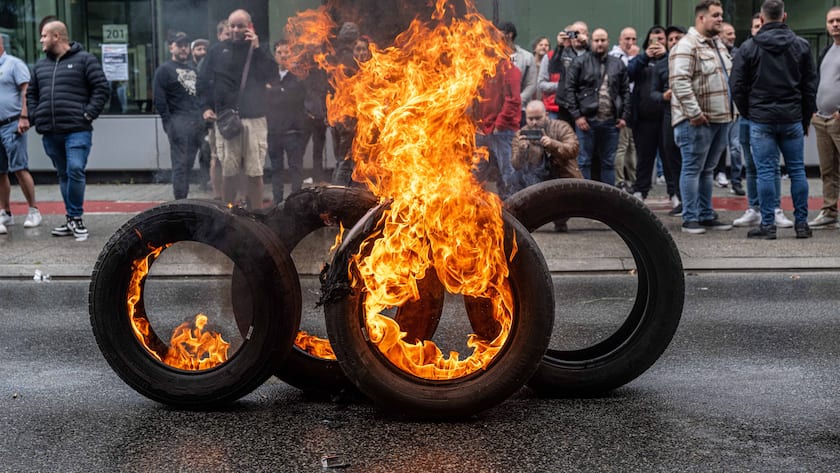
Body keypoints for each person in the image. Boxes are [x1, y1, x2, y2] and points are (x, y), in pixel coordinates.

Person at [731, 0, 817, 239]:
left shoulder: (749, 47)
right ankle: (802, 224)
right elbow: (810, 85)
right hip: (791, 118)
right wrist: (805, 117)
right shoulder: (801, 45)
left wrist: (749, 112)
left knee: (766, 172)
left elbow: (737, 85)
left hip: (761, 118)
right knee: (798, 171)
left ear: (762, 17)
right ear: (784, 16)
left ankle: (768, 225)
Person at [27, 20, 108, 239]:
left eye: (44, 35)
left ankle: (76, 217)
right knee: (63, 175)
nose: (41, 40)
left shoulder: (85, 60)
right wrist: (35, 116)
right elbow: (31, 94)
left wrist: (88, 114)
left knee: (75, 169)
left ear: (57, 37)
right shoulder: (40, 66)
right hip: (51, 131)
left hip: (77, 129)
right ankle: (71, 218)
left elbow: (101, 88)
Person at [197, 9, 275, 209]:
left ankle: (257, 216)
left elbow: (272, 75)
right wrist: (205, 107)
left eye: (240, 25)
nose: (235, 29)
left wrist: (257, 48)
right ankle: (228, 215)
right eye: (232, 25)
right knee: (229, 172)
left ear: (249, 27)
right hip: (226, 119)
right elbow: (203, 82)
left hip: (255, 119)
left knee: (255, 172)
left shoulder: (259, 50)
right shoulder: (216, 51)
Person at [669, 0, 733, 234]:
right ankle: (691, 218)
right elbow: (679, 81)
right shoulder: (687, 45)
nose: (720, 19)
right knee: (693, 168)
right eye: (715, 15)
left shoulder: (717, 45)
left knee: (708, 169)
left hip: (720, 118)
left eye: (721, 15)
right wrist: (694, 114)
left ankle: (706, 214)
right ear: (701, 18)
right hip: (697, 121)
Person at [732, 13, 791, 229]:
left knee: (771, 165)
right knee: (751, 165)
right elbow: (737, 84)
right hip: (748, 117)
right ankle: (754, 208)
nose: (758, 29)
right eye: (755, 26)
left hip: (768, 117)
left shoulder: (777, 52)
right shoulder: (745, 51)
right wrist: (746, 111)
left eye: (761, 25)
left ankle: (774, 209)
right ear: (751, 29)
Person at [564, 28, 630, 186]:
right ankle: (584, 198)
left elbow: (625, 91)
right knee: (584, 161)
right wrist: (577, 116)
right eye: (596, 40)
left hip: (611, 122)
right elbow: (569, 89)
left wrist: (624, 117)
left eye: (603, 40)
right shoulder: (580, 62)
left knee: (609, 163)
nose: (600, 44)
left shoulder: (617, 63)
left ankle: (609, 199)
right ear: (591, 42)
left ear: (608, 41)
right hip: (586, 121)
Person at [512, 100, 582, 231]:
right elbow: (516, 165)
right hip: (535, 177)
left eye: (538, 118)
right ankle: (527, 220)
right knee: (514, 179)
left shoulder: (561, 127)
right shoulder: (521, 134)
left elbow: (574, 149)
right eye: (530, 118)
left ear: (546, 114)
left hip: (561, 173)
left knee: (563, 194)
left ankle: (561, 219)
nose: (534, 122)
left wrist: (552, 144)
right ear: (525, 117)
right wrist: (522, 150)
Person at [153, 31, 204, 200]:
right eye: (179, 45)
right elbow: (160, 101)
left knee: (189, 165)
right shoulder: (164, 70)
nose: (183, 49)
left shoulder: (193, 69)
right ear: (170, 47)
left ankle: (186, 200)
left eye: (185, 46)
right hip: (178, 124)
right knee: (181, 166)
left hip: (196, 124)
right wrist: (169, 125)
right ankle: (180, 202)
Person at [0, 34, 41, 235]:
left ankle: (33, 210)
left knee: (19, 168)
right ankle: (5, 211)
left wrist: (24, 117)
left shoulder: (13, 64)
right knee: (0, 171)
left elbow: (27, 91)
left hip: (12, 124)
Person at [808, 6, 840, 229]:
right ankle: (829, 211)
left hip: (838, 119)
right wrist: (813, 110)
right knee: (827, 170)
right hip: (822, 119)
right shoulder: (827, 51)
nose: (835, 24)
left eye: (839, 20)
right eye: (831, 21)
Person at [626, 26, 667, 200]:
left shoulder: (672, 59)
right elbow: (628, 73)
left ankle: (675, 194)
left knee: (670, 159)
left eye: (661, 40)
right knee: (644, 158)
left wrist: (665, 55)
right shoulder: (641, 59)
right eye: (652, 41)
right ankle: (640, 190)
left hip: (666, 117)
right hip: (643, 119)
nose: (656, 44)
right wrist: (645, 56)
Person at [474, 57, 522, 199]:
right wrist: (477, 124)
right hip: (482, 130)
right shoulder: (481, 68)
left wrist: (499, 125)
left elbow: (513, 100)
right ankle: (474, 211)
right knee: (476, 174)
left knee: (507, 175)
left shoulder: (509, 70)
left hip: (503, 131)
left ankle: (512, 211)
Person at [651, 25, 687, 216]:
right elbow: (652, 94)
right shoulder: (660, 65)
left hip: (689, 114)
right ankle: (680, 199)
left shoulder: (692, 59)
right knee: (672, 158)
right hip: (668, 114)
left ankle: (694, 203)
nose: (674, 42)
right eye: (671, 39)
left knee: (691, 161)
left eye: (678, 38)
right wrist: (663, 96)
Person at [265, 39, 306, 204]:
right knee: (276, 169)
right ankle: (277, 202)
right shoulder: (270, 75)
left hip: (293, 132)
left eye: (286, 52)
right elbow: (265, 97)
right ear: (275, 55)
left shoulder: (298, 76)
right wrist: (280, 92)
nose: (283, 56)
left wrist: (274, 91)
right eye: (280, 52)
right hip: (273, 131)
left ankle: (296, 203)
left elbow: (293, 97)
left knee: (295, 168)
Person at [610, 27, 639, 191]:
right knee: (622, 146)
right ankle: (620, 180)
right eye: (627, 39)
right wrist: (634, 58)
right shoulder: (616, 57)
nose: (631, 43)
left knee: (631, 145)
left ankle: (632, 179)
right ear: (620, 39)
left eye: (634, 39)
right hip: (621, 108)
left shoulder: (633, 56)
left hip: (634, 108)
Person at [498, 22, 537, 126]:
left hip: (520, 109)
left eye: (499, 33)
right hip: (497, 112)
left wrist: (518, 101)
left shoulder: (526, 57)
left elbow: (531, 84)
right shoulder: (490, 56)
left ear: (509, 35)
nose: (495, 36)